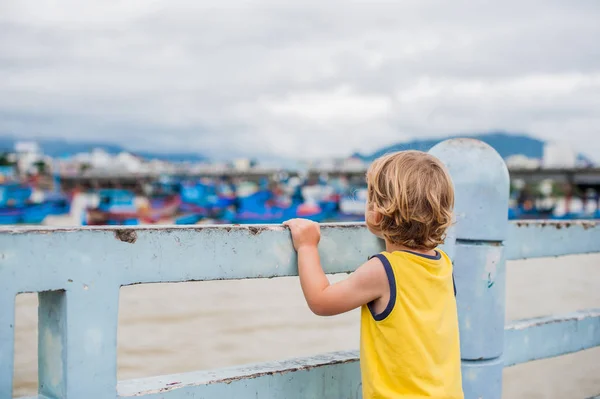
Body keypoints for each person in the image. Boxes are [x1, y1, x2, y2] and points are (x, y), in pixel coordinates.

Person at [283, 150, 463, 399]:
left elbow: (321, 300)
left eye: (369, 198)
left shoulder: (384, 270)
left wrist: (306, 246)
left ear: (378, 212)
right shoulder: (443, 264)